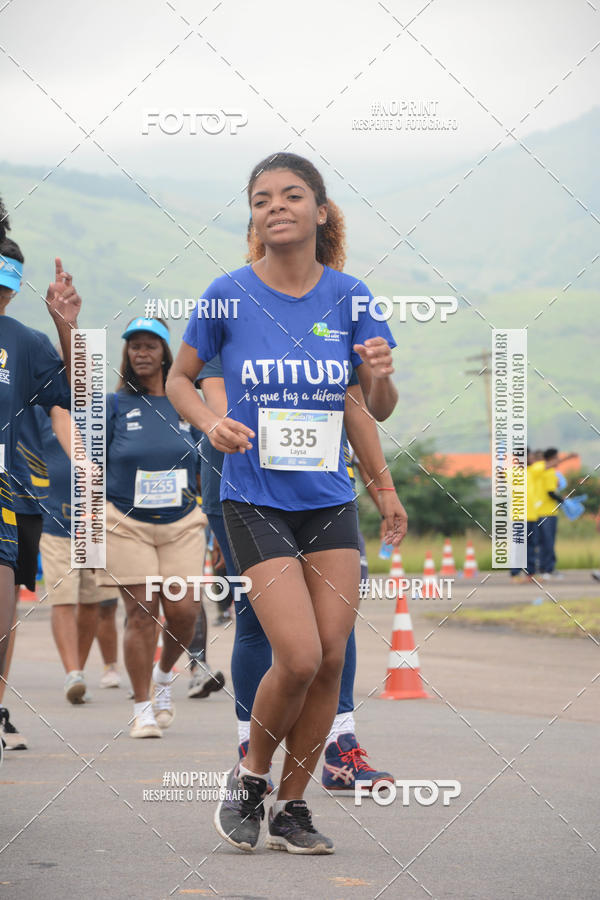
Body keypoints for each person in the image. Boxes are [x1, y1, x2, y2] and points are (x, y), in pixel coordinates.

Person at [167, 152, 406, 854]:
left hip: (329, 501)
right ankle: (249, 779)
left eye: (292, 195)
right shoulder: (226, 295)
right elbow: (182, 380)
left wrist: (384, 478)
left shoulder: (352, 295)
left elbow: (371, 406)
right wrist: (211, 423)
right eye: (262, 197)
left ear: (320, 211)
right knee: (297, 656)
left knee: (332, 659)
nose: (276, 206)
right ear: (253, 215)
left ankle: (293, 807)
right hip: (252, 496)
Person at [95, 317, 207, 738]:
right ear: (127, 355)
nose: (142, 353)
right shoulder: (114, 405)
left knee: (183, 611)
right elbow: (92, 463)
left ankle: (163, 678)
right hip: (127, 523)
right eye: (134, 347)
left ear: (165, 353)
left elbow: (207, 459)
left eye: (150, 346)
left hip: (182, 522)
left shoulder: (187, 401)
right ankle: (142, 707)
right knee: (141, 613)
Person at [0, 206, 80, 749]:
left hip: (13, 496)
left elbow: (74, 394)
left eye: (11, 278)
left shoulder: (23, 341)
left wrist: (65, 327)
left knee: (3, 615)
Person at [34, 402, 118, 701]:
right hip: (53, 522)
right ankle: (73, 673)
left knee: (92, 601)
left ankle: (79, 670)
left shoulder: (102, 411)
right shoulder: (37, 409)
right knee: (63, 599)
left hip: (95, 524)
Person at [537, 448, 577, 580]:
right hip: (547, 512)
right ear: (552, 458)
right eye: (557, 458)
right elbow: (550, 493)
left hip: (544, 512)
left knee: (545, 542)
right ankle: (547, 569)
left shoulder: (546, 472)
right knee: (548, 542)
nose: (558, 460)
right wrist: (563, 500)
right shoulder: (548, 472)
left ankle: (545, 568)